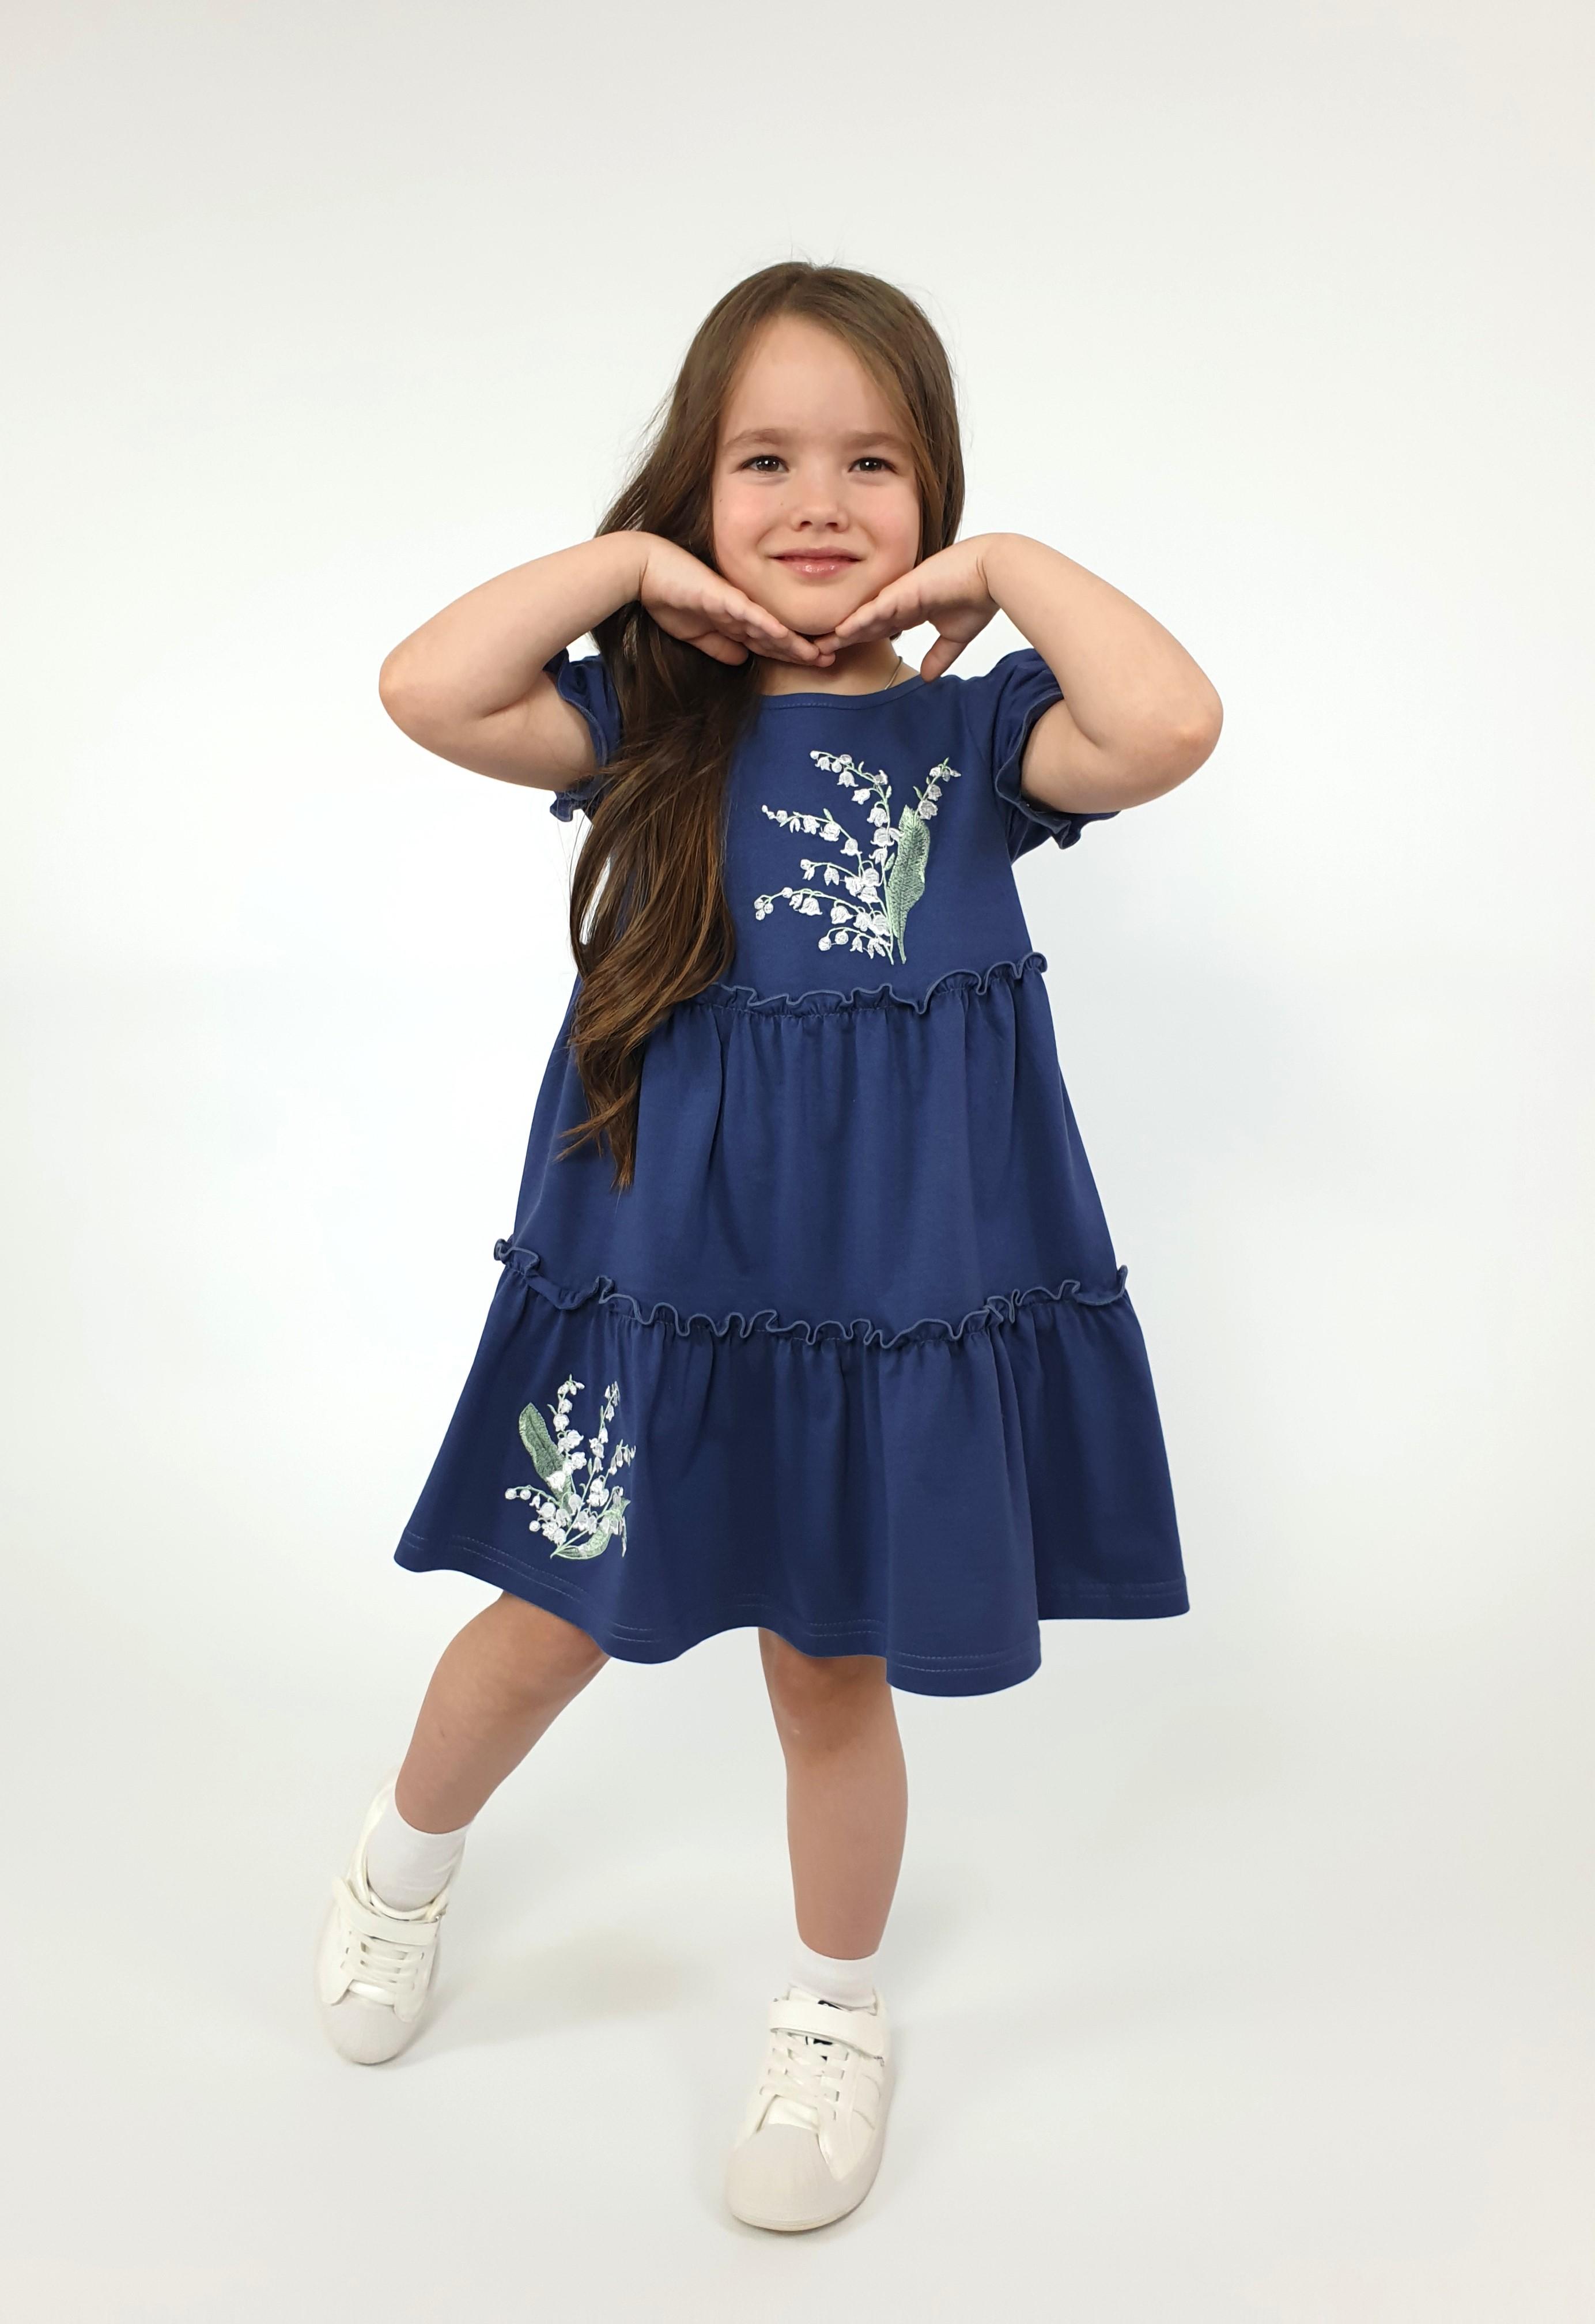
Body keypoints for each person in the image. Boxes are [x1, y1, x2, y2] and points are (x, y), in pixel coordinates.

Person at [312, 259, 1222, 2233]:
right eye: (766, 462)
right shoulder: (643, 723)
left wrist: (1012, 565)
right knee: (545, 1627)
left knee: (829, 1674)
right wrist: (633, 575)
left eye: (874, 463)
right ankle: (399, 1867)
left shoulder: (981, 740)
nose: (822, 500)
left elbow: (1167, 722)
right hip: (664, 1291)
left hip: (877, 1311)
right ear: (699, 492)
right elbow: (425, 687)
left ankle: (832, 2016)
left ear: (933, 496)